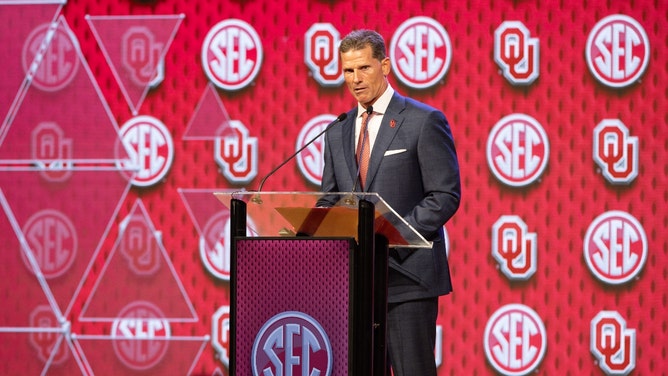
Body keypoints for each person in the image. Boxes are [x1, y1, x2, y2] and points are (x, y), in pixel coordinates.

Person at [319, 29, 461, 375]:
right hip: (355, 285)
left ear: (385, 65)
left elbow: (444, 196)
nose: (355, 79)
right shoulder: (337, 129)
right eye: (348, 71)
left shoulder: (422, 121)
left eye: (364, 68)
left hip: (407, 279)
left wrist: (387, 237)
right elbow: (330, 199)